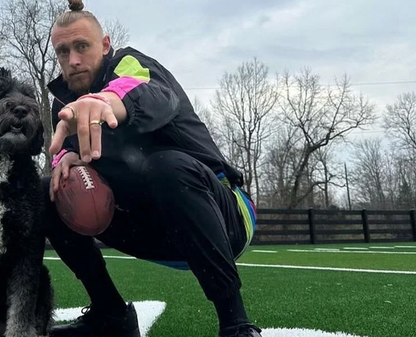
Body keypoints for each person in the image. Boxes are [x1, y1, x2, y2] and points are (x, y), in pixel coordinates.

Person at [42, 1, 262, 336]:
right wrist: (64, 162)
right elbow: (65, 151)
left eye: (82, 47)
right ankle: (111, 314)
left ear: (105, 45)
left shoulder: (131, 66)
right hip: (151, 229)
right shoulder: (67, 103)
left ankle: (236, 323)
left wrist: (105, 103)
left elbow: (154, 96)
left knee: (166, 166)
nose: (72, 61)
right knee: (49, 190)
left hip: (223, 217)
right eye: (63, 51)